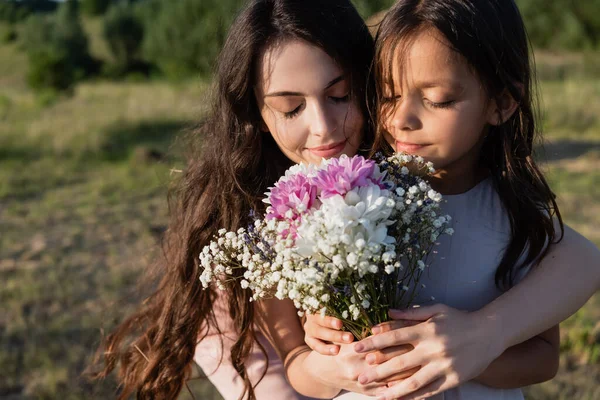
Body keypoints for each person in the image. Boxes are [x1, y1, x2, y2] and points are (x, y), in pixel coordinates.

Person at [300, 0, 600, 399]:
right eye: (387, 95)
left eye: (438, 99)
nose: (402, 118)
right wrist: (324, 339)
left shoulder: (514, 213)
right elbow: (305, 366)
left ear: (502, 103)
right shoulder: (354, 201)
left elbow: (544, 358)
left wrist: (470, 350)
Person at [92, 0, 382, 399]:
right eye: (291, 108)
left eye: (341, 95)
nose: (323, 128)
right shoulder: (242, 237)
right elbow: (286, 380)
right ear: (257, 116)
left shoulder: (403, 168)